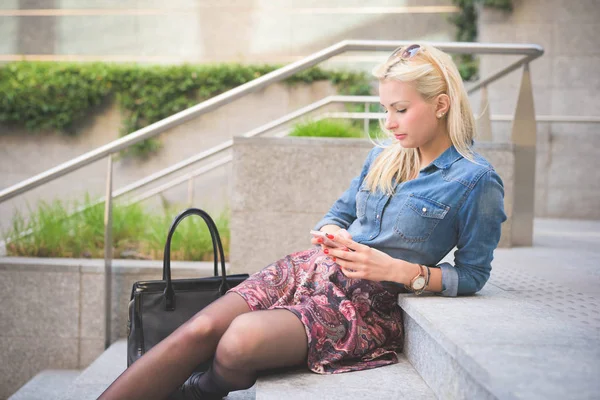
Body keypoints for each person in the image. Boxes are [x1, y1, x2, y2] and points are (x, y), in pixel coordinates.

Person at [98, 43, 507, 400]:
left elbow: (473, 274)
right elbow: (338, 213)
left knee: (238, 341)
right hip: (309, 270)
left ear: (440, 104)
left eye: (400, 110)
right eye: (386, 109)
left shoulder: (475, 181)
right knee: (201, 326)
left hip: (366, 305)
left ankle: (200, 391)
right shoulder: (384, 156)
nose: (389, 122)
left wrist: (403, 271)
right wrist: (330, 230)